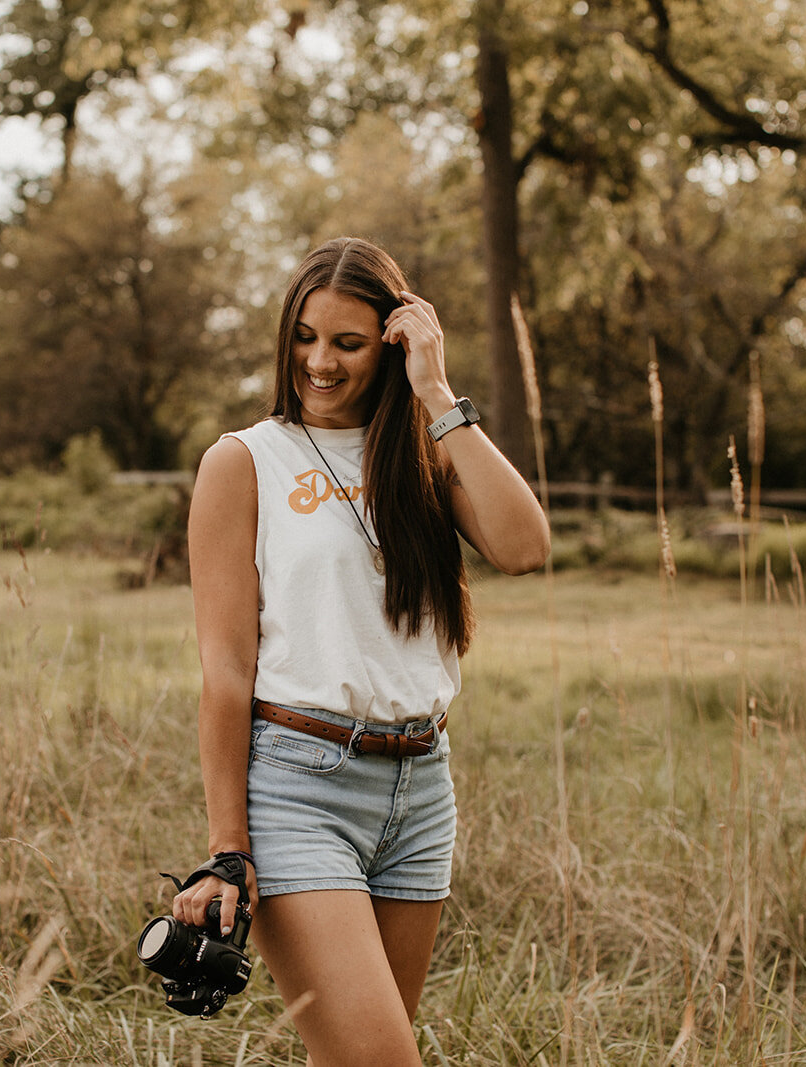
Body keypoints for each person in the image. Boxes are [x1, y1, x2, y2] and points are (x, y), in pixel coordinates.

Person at [173, 236, 549, 1066]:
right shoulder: (243, 462)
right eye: (305, 337)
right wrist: (228, 847)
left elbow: (525, 546)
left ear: (390, 343)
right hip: (298, 787)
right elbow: (226, 670)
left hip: (420, 792)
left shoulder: (424, 454)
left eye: (347, 342)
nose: (320, 361)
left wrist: (438, 391)